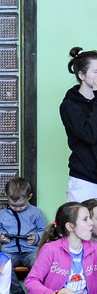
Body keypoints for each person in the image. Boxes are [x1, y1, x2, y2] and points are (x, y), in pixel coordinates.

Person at [25, 202, 97, 294]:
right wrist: (46, 293)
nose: (91, 223)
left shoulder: (94, 249)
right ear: (70, 226)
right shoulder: (50, 250)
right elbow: (31, 281)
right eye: (85, 219)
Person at [0, 177, 47, 294]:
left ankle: (35, 291)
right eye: (13, 205)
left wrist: (36, 237)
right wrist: (1, 237)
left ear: (29, 197)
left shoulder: (36, 213)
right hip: (9, 251)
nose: (17, 208)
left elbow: (44, 231)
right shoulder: (2, 215)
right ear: (6, 196)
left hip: (30, 251)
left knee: (38, 263)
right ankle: (17, 291)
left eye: (21, 205)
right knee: (3, 264)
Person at [60, 47, 97, 202]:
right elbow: (89, 135)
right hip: (85, 179)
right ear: (82, 75)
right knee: (83, 224)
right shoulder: (69, 105)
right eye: (96, 72)